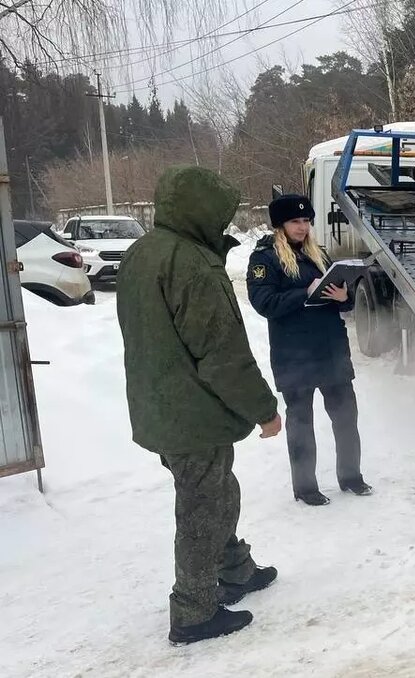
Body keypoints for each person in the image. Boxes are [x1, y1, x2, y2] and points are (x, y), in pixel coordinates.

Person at [116, 166, 282, 646]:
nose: (223, 220)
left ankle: (236, 569)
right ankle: (193, 610)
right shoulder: (191, 263)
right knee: (203, 504)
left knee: (215, 492)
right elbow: (221, 353)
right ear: (200, 209)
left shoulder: (141, 253)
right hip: (193, 410)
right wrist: (263, 409)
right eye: (219, 211)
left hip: (159, 404)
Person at [247, 194, 371, 507]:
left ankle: (351, 477)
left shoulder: (320, 255)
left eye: (306, 221)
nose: (303, 227)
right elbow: (264, 304)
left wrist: (344, 295)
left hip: (331, 350)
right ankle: (305, 487)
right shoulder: (265, 258)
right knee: (301, 423)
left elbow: (345, 300)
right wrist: (306, 292)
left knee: (346, 418)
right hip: (294, 354)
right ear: (280, 225)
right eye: (295, 221)